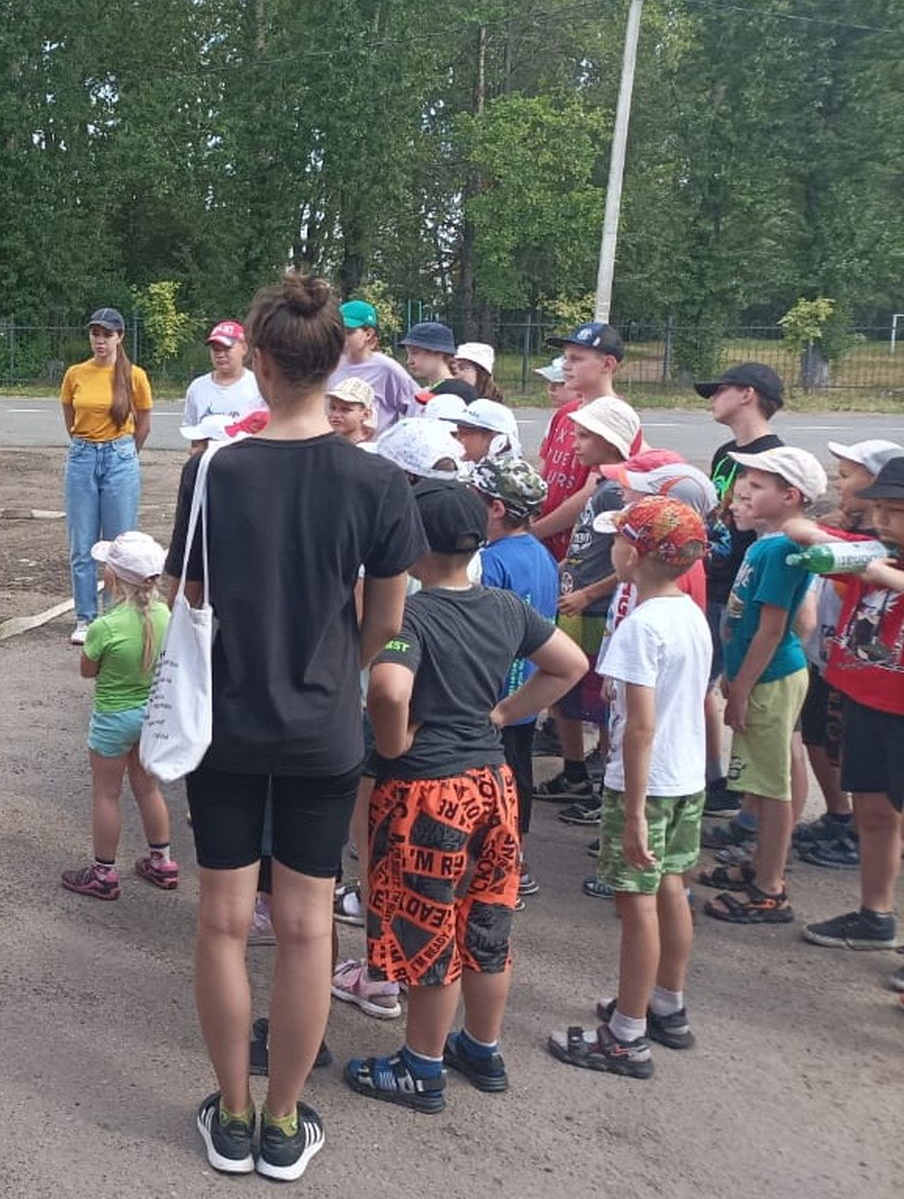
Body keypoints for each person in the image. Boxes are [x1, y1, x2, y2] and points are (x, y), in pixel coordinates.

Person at [169, 272, 424, 1181]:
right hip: (323, 726)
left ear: (263, 363)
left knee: (224, 921)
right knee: (313, 927)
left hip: (225, 723)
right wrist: (333, 675)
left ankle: (231, 1112)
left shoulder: (213, 472)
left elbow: (190, 595)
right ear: (331, 362)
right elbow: (387, 619)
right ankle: (283, 1124)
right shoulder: (379, 479)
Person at [348, 480, 586, 1114]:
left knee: (430, 930)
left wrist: (393, 747)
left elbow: (390, 692)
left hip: (426, 795)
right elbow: (570, 664)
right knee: (485, 922)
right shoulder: (506, 607)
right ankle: (481, 1047)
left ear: (414, 549)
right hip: (492, 787)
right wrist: (505, 714)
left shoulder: (412, 617)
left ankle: (420, 1067)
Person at [548, 497, 713, 1077]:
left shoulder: (640, 628)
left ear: (635, 554)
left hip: (645, 783)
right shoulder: (689, 612)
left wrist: (635, 811)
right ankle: (667, 1001)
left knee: (635, 903)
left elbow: (639, 726)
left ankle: (626, 1034)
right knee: (670, 889)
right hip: (686, 774)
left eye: (618, 540)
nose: (610, 548)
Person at [788, 456, 904, 988]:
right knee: (873, 812)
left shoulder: (881, 564)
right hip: (866, 699)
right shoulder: (873, 551)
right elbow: (800, 531)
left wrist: (885, 574)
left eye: (896, 511)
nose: (884, 521)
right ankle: (875, 913)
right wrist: (855, 542)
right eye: (878, 508)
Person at [699, 446, 827, 925]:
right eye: (741, 484)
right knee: (766, 776)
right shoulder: (764, 543)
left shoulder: (780, 550)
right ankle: (760, 865)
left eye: (755, 487)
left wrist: (742, 688)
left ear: (790, 497)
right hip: (760, 676)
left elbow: (775, 629)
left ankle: (769, 887)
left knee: (772, 787)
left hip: (768, 679)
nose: (738, 495)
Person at [537, 396, 639, 820]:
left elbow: (631, 562)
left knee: (597, 699)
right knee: (566, 695)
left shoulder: (618, 490)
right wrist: (565, 567)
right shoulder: (600, 485)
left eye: (583, 436)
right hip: (574, 599)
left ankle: (600, 786)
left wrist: (590, 592)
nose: (574, 444)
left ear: (609, 440)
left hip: (593, 608)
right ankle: (574, 770)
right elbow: (587, 543)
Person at [62, 532, 175, 900]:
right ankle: (162, 861)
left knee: (106, 794)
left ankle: (104, 872)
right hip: (151, 716)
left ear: (111, 579)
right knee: (148, 787)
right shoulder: (166, 615)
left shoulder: (104, 627)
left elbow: (87, 671)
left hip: (114, 717)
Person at [698, 363, 788, 818]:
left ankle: (753, 800)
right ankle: (717, 779)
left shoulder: (773, 458)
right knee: (705, 686)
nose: (712, 397)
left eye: (720, 388)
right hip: (713, 578)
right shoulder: (725, 452)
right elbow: (721, 516)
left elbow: (770, 530)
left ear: (747, 394)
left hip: (740, 590)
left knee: (742, 693)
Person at [470, 456, 559, 893]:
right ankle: (516, 863)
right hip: (528, 690)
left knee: (489, 782)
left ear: (497, 508)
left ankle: (493, 868)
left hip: (492, 695)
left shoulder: (490, 562)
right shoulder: (542, 554)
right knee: (517, 776)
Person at [60, 307, 153, 645]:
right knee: (82, 543)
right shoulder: (75, 373)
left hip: (120, 455)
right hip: (83, 455)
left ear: (119, 337)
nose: (100, 340)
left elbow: (143, 422)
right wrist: (85, 445)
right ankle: (86, 617)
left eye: (107, 334)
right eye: (95, 334)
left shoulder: (134, 376)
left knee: (119, 543)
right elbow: (70, 413)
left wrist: (125, 452)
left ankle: (116, 614)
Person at [532, 322, 635, 560]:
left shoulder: (617, 418)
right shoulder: (565, 412)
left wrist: (536, 531)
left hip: (580, 548)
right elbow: (545, 470)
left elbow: (593, 490)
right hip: (544, 541)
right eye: (565, 358)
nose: (566, 366)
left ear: (607, 364)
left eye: (576, 359)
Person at [328, 299, 419, 433]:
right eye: (338, 331)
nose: (341, 337)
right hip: (336, 448)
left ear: (368, 334)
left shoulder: (386, 368)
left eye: (348, 332)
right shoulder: (329, 364)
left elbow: (417, 406)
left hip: (374, 450)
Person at [183, 320, 266, 435]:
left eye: (227, 348)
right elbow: (192, 429)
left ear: (244, 348)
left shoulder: (260, 386)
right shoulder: (197, 387)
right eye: (215, 349)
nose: (220, 355)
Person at [399, 321, 478, 404]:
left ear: (438, 352)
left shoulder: (459, 392)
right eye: (408, 354)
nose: (409, 361)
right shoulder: (427, 391)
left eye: (415, 353)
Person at [454, 399, 521, 464]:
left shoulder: (512, 474)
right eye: (458, 432)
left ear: (496, 441)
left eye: (465, 433)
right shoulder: (468, 470)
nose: (458, 438)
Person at [326, 377, 378, 446]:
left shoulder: (370, 450)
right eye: (333, 408)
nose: (335, 415)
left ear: (366, 415)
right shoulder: (323, 446)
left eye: (345, 410)